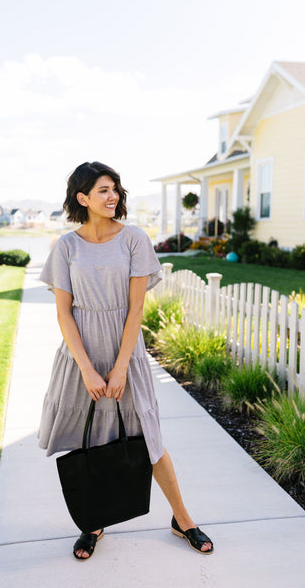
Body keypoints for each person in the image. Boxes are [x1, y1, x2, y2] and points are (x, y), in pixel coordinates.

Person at [38, 161, 214, 559]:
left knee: (148, 438)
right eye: (102, 190)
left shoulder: (134, 238)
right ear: (82, 198)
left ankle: (182, 518)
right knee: (95, 440)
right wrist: (86, 367)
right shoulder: (66, 246)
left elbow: (136, 310)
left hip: (125, 352)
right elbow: (64, 312)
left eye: (115, 188)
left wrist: (120, 367)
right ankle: (94, 522)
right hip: (80, 355)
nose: (112, 195)